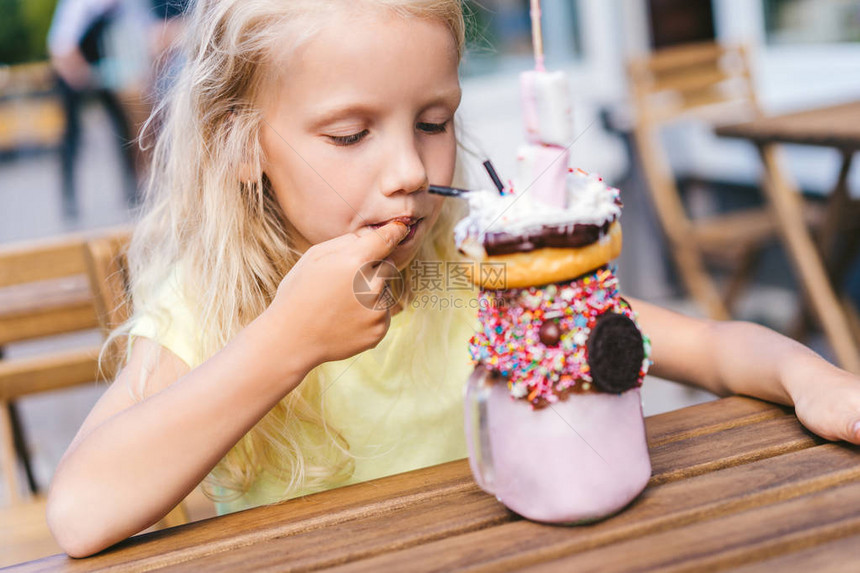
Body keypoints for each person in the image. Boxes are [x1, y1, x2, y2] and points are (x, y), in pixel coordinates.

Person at [46, 0, 860, 558]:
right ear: (242, 145)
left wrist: (809, 375)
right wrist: (280, 346)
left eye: (432, 122)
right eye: (350, 133)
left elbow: (710, 345)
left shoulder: (479, 277)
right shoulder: (212, 304)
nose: (407, 169)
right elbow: (81, 512)